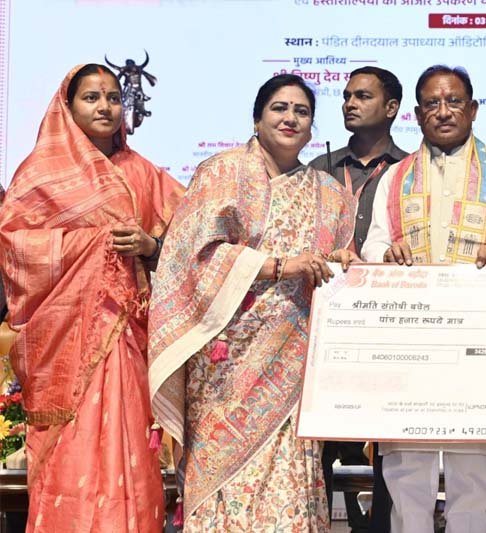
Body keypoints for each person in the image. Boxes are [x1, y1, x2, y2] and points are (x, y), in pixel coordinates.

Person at [148, 74, 357, 532]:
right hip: (225, 365)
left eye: (302, 111)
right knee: (222, 477)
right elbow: (195, 256)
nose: (290, 118)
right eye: (279, 108)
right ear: (257, 119)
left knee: (290, 478)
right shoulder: (221, 173)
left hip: (294, 364)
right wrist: (280, 266)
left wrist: (343, 261)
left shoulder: (330, 193)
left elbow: (335, 263)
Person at [0, 64, 184, 532]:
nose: (105, 107)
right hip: (68, 342)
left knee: (130, 450)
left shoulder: (144, 174)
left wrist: (150, 247)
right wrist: (97, 242)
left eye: (113, 98)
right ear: (68, 107)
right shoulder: (40, 174)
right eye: (91, 97)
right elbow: (16, 245)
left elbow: (192, 239)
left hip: (130, 341)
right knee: (72, 450)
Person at [362, 65, 486, 533]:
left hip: (476, 341)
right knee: (407, 477)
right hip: (410, 342)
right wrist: (386, 254)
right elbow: (373, 244)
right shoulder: (395, 176)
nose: (444, 112)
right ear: (417, 114)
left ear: (473, 109)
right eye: (432, 104)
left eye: (454, 101)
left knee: (473, 478)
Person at [309, 65, 408, 533]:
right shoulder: (318, 170)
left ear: (391, 108)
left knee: (390, 448)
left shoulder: (409, 171)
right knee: (321, 452)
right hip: (325, 327)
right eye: (347, 95)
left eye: (363, 96)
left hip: (388, 326)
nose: (350, 103)